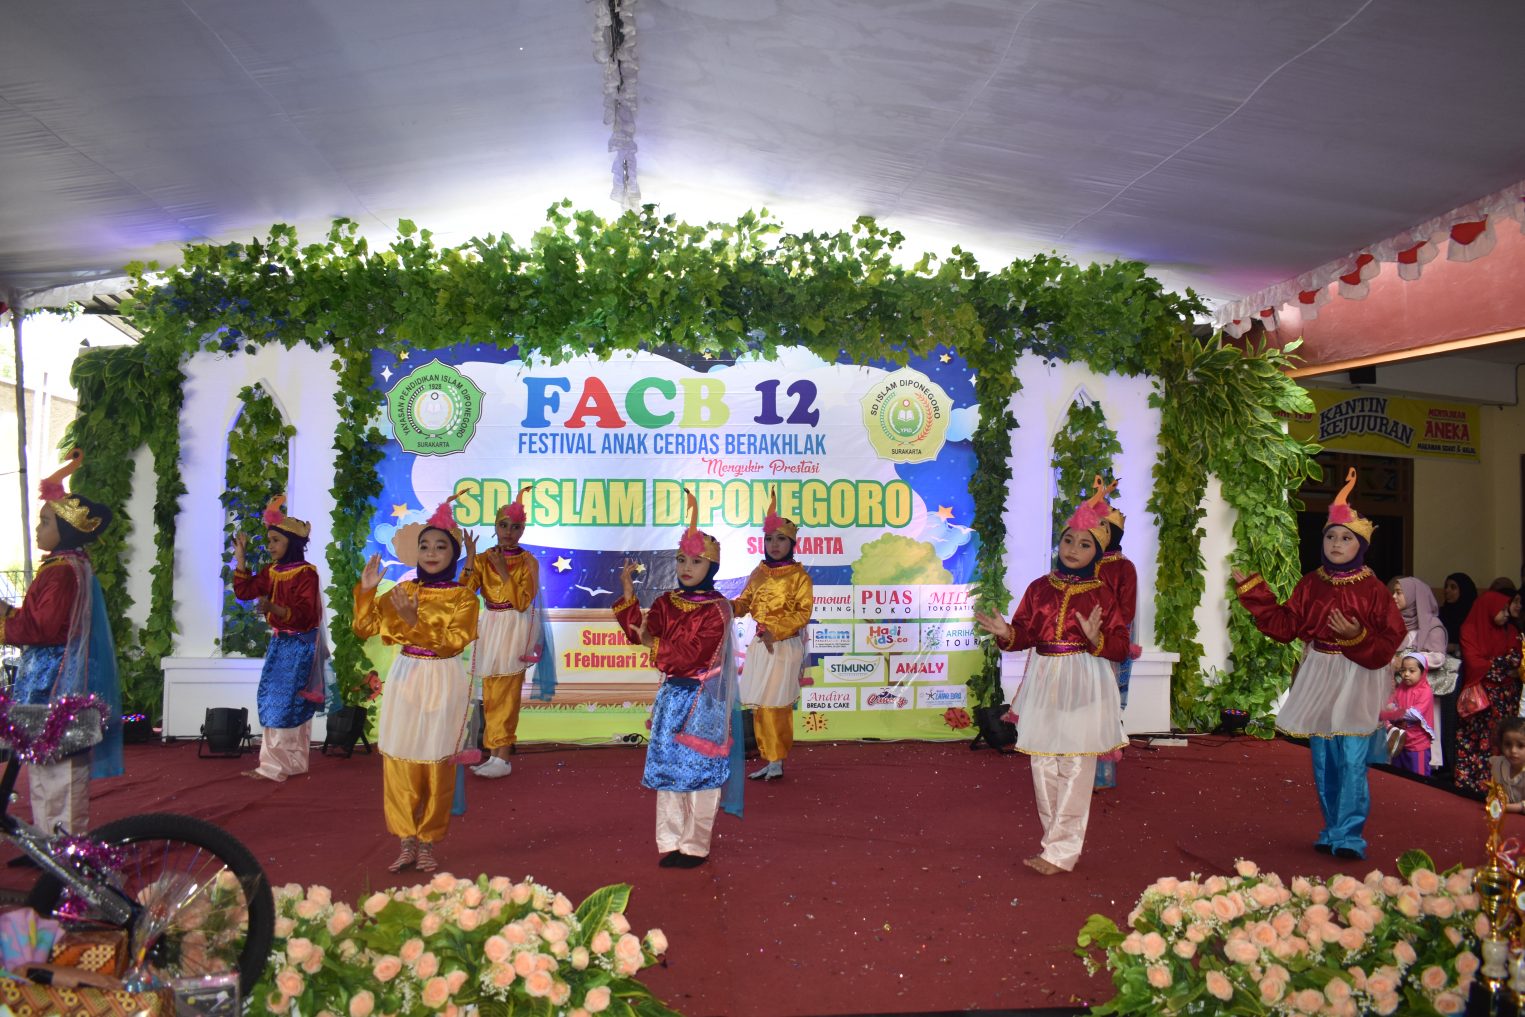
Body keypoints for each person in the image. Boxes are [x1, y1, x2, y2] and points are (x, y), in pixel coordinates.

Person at [1232, 468, 1404, 859]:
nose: (1336, 543)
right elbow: (1286, 625)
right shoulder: (1311, 583)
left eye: (1346, 538)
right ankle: (1332, 829)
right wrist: (1254, 594)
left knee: (1353, 757)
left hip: (1358, 675)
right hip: (1320, 674)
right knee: (1324, 759)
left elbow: (1389, 641)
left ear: (1360, 545)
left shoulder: (1374, 589)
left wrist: (1355, 636)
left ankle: (1349, 835)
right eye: (1330, 536)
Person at [973, 478, 1129, 875]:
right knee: (1042, 762)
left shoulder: (1103, 594)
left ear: (1097, 552)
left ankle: (1061, 852)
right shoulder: (1039, 588)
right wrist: (1007, 633)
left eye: (1084, 544)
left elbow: (1120, 646)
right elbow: (1025, 634)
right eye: (1068, 541)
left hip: (1085, 679)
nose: (1073, 549)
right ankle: (1053, 845)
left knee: (1075, 765)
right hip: (1044, 679)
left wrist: (1096, 639)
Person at [613, 489, 742, 869]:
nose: (687, 567)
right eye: (681, 559)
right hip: (671, 699)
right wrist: (628, 595)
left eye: (696, 561)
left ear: (712, 566)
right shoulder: (666, 602)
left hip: (704, 701)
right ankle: (670, 841)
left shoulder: (718, 609)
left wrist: (651, 642)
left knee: (701, 774)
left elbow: (694, 655)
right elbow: (640, 633)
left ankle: (696, 845)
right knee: (669, 772)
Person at [353, 495, 480, 873]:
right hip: (406, 676)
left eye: (440, 546)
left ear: (453, 554)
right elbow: (364, 628)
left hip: (443, 678)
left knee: (437, 762)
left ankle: (428, 842)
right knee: (400, 756)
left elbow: (452, 643)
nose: (431, 552)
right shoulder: (402, 591)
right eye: (424, 546)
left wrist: (414, 623)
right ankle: (406, 840)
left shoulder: (463, 597)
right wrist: (366, 591)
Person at [0, 451, 123, 835]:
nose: (38, 529)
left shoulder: (61, 571)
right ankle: (50, 841)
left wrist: (5, 620)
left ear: (66, 530)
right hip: (54, 678)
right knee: (47, 766)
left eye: (45, 522)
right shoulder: (68, 564)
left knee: (58, 769)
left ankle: (64, 850)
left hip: (55, 683)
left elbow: (43, 628)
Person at [459, 485, 555, 779]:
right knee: (490, 693)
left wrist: (503, 571)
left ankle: (503, 757)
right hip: (491, 626)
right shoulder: (483, 558)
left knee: (508, 693)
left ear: (523, 530)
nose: (509, 532)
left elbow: (523, 601)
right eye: (503, 525)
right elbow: (463, 594)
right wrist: (470, 558)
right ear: (495, 526)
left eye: (515, 527)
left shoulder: (528, 561)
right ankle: (493, 753)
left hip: (515, 628)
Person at [232, 495, 325, 782]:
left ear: (291, 543)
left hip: (300, 645)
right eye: (269, 540)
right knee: (282, 702)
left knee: (283, 703)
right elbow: (245, 591)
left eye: (276, 541)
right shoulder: (272, 571)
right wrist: (241, 559)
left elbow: (306, 614)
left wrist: (273, 607)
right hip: (281, 644)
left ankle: (275, 767)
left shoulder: (307, 574)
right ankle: (289, 763)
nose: (270, 546)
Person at [733, 490, 813, 782]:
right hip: (760, 646)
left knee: (776, 705)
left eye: (781, 539)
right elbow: (744, 603)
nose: (774, 545)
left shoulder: (799, 577)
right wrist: (724, 607)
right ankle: (769, 757)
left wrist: (776, 632)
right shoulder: (759, 573)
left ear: (792, 543)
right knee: (760, 705)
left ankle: (777, 760)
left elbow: (802, 613)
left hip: (783, 646)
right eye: (769, 539)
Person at [1456, 584, 1524, 792]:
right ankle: (1472, 788)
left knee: (1500, 741)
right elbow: (1476, 664)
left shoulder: (1510, 631)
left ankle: (1498, 790)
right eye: (1502, 610)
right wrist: (1503, 665)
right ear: (1490, 608)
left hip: (1505, 700)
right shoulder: (1470, 629)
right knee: (1476, 742)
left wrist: (1496, 664)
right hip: (1480, 700)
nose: (1506, 614)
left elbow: (1518, 661)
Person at [1094, 491, 1139, 789]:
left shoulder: (1124, 567)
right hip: (1081, 646)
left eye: (1101, 526)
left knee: (1106, 706)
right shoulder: (1083, 564)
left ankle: (1102, 775)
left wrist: (1103, 638)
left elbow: (1125, 612)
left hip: (1109, 646)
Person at [1379, 653, 1435, 776]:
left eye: (1412, 671)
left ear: (1423, 672)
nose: (1406, 674)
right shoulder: (1401, 688)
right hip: (1399, 741)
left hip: (1417, 744)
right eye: (1403, 670)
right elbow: (1390, 704)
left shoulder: (1425, 691)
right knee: (1398, 775)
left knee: (1418, 777)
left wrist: (1394, 711)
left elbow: (1415, 714)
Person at [1490, 716, 1525, 814]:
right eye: (1508, 744)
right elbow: (1497, 791)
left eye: (1520, 746)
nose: (1513, 750)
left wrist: (1508, 807)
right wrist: (1500, 797)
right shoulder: (1499, 764)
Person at [1438, 573, 1478, 654]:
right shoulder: (1441, 612)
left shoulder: (1474, 614)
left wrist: (1456, 647)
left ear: (1464, 590)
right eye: (1446, 586)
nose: (1447, 590)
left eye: (1453, 587)